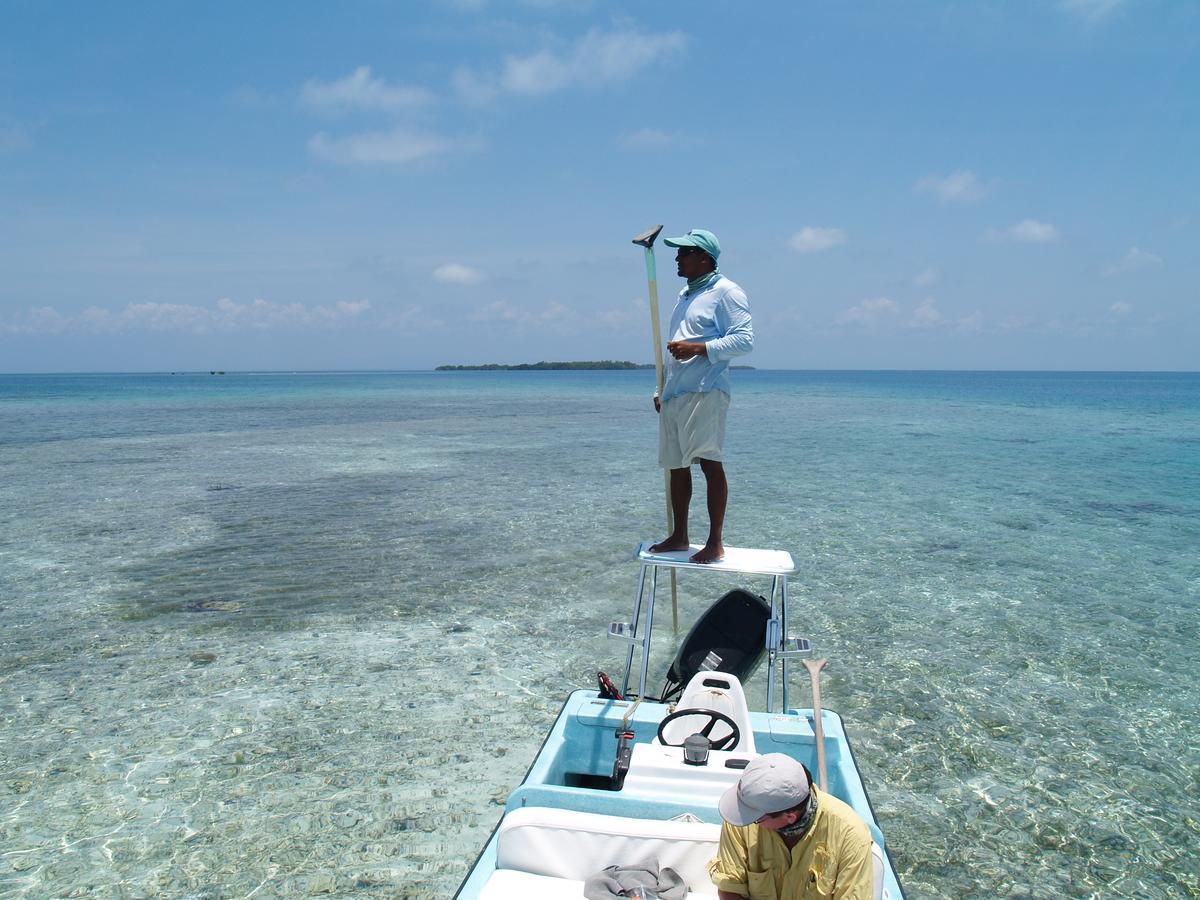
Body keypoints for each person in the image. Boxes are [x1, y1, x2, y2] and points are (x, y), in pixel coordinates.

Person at [650, 228, 753, 564]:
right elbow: (672, 348)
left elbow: (743, 341)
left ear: (704, 258)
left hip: (706, 390)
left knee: (709, 462)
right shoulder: (685, 295)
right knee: (676, 466)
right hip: (676, 393)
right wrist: (661, 390)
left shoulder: (727, 292)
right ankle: (680, 536)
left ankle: (715, 542)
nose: (677, 259)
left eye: (684, 253)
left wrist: (699, 348)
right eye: (677, 253)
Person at [709, 753, 874, 899]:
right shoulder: (742, 815)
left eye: (757, 820)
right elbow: (729, 888)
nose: (748, 821)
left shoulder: (850, 835)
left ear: (790, 816)